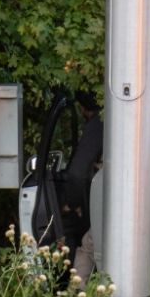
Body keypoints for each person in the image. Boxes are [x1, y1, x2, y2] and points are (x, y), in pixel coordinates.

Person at [63, 91, 102, 285]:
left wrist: (73, 203)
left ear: (82, 108)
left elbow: (77, 173)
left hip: (112, 201)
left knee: (87, 249)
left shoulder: (99, 123)